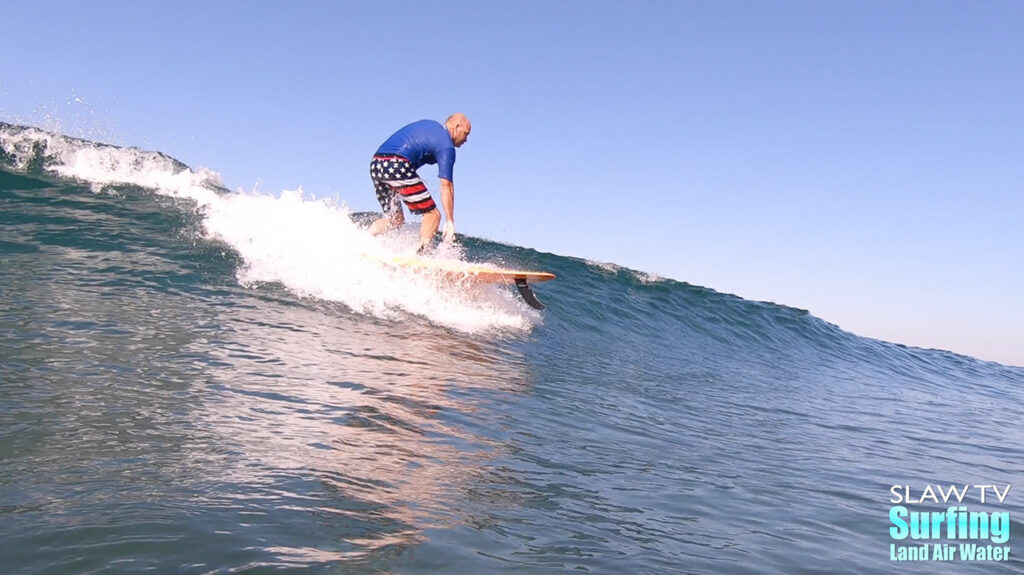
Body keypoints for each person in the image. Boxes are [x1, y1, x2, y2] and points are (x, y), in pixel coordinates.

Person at [369, 113, 471, 252]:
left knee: (395, 219)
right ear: (457, 126)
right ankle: (421, 255)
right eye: (466, 133)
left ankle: (365, 238)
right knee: (433, 215)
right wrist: (450, 220)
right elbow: (446, 185)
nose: (466, 139)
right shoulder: (446, 146)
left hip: (377, 164)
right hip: (396, 164)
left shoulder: (431, 125)